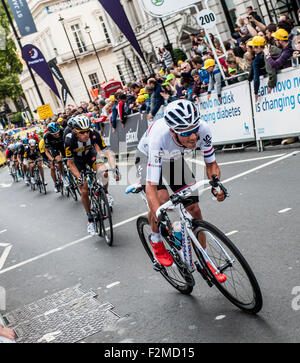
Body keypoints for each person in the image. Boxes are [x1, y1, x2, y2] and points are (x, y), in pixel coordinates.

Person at [135, 100, 227, 283]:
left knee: (194, 209)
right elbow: (151, 186)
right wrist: (159, 213)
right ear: (172, 131)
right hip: (150, 156)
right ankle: (156, 240)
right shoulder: (158, 138)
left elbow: (211, 164)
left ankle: (204, 259)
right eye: (186, 133)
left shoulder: (204, 129)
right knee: (161, 201)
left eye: (195, 129)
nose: (193, 137)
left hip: (173, 157)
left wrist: (216, 185)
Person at [65, 115, 119, 235]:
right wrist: (79, 177)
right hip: (77, 162)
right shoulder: (69, 139)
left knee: (104, 171)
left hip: (91, 156)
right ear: (75, 131)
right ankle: (90, 219)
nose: (86, 135)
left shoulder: (94, 134)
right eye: (82, 132)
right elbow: (70, 163)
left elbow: (107, 153)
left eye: (87, 131)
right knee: (84, 190)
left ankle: (105, 192)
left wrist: (114, 168)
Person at [44, 122, 69, 192]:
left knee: (70, 159)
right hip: (53, 148)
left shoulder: (62, 130)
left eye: (58, 133)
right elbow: (46, 151)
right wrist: (52, 160)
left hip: (62, 146)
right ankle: (62, 177)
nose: (57, 135)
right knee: (58, 160)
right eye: (54, 134)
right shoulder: (47, 136)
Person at [247, 36, 267, 102]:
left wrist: (256, 92)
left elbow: (256, 77)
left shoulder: (256, 60)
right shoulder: (270, 49)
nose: (252, 49)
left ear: (258, 47)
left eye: (253, 47)